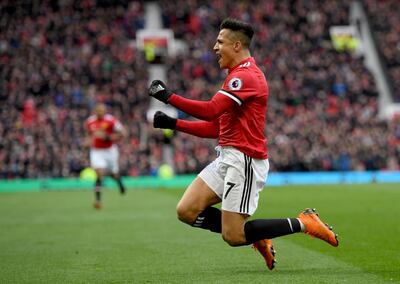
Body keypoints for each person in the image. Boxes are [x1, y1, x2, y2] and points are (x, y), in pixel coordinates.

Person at [148, 18, 338, 270]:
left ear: (237, 45)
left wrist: (167, 97)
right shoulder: (234, 77)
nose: (215, 47)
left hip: (245, 160)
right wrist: (174, 124)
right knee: (186, 211)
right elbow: (216, 127)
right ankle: (256, 235)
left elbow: (211, 110)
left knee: (234, 236)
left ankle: (305, 222)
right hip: (227, 157)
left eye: (220, 42)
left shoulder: (247, 76)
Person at [85, 103, 127, 209]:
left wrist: (107, 137)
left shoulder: (111, 120)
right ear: (95, 111)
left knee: (113, 174)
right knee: (99, 173)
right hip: (96, 151)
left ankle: (119, 182)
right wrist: (86, 143)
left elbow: (123, 133)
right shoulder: (90, 122)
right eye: (98, 111)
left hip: (110, 151)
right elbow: (88, 136)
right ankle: (98, 200)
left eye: (102, 111)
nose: (100, 113)